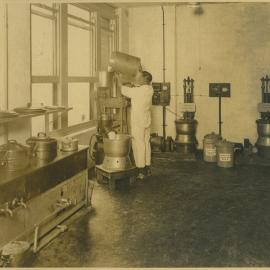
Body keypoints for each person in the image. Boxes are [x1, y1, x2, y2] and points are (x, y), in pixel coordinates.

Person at [119, 71, 154, 180]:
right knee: (146, 142)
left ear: (144, 79)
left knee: (138, 143)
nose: (137, 79)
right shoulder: (149, 89)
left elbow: (123, 90)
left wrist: (118, 79)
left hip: (138, 121)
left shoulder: (138, 91)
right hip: (146, 120)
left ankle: (141, 170)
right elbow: (137, 87)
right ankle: (147, 167)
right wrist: (132, 82)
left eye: (139, 77)